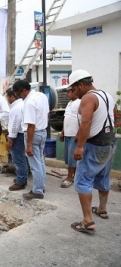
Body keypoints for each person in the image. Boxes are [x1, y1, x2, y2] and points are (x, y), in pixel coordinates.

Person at [68, 70, 116, 233]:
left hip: (93, 145)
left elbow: (87, 121)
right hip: (109, 143)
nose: (74, 93)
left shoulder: (88, 97)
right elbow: (113, 117)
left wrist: (80, 146)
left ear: (81, 85)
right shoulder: (107, 95)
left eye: (74, 89)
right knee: (103, 176)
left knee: (83, 180)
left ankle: (88, 220)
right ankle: (102, 208)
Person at [12, 80, 49, 200]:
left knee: (34, 164)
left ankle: (37, 191)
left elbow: (31, 125)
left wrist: (28, 145)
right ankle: (41, 185)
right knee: (41, 161)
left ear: (24, 90)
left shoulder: (29, 102)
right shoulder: (41, 96)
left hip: (33, 133)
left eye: (18, 94)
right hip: (43, 131)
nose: (19, 97)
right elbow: (47, 114)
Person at [5, 88, 28, 191]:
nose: (7, 99)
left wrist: (10, 140)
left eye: (7, 97)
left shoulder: (16, 107)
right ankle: (22, 178)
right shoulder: (22, 104)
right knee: (21, 159)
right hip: (21, 134)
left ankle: (21, 182)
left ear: (12, 97)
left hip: (18, 135)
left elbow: (15, 124)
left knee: (18, 159)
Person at [58, 87, 81, 188]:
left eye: (69, 92)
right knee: (68, 157)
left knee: (72, 158)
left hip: (75, 135)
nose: (67, 94)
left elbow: (83, 120)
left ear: (74, 92)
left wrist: (79, 133)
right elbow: (66, 118)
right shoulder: (69, 103)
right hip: (68, 134)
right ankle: (74, 177)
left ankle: (69, 178)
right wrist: (63, 132)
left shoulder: (80, 102)